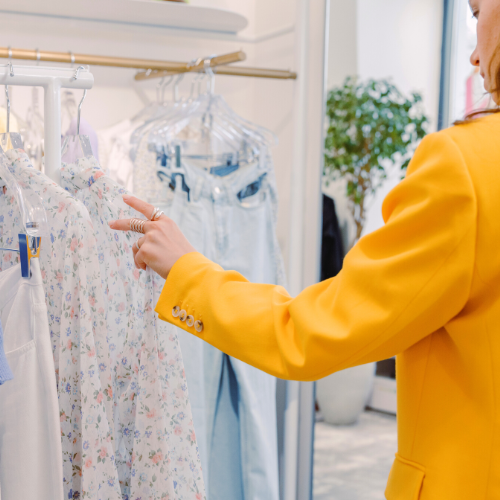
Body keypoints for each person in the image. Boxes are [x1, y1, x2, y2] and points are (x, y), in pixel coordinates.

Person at [110, 0, 500, 497]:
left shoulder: (469, 166)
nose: (471, 55)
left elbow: (310, 333)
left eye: (474, 12)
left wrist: (189, 271)